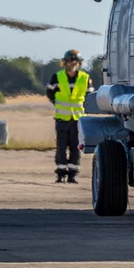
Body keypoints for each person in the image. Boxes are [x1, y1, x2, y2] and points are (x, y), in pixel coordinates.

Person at [45, 50, 89, 183]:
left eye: (75, 61)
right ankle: (61, 174)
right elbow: (50, 93)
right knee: (61, 148)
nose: (72, 63)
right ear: (65, 62)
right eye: (70, 61)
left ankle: (73, 175)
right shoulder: (57, 77)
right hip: (62, 119)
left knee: (76, 148)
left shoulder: (85, 78)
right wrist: (57, 104)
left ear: (79, 63)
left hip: (77, 119)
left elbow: (89, 96)